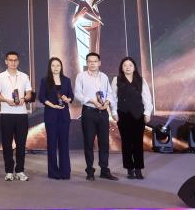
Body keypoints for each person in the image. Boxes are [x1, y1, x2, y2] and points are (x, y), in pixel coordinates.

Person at [74, 52, 117, 181]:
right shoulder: (81, 76)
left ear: (99, 63)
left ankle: (104, 170)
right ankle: (90, 171)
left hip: (103, 112)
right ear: (87, 63)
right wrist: (92, 101)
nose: (92, 64)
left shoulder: (104, 77)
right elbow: (77, 94)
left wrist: (107, 103)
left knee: (104, 142)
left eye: (95, 61)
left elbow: (109, 93)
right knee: (89, 142)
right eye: (90, 61)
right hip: (89, 112)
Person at [110, 56, 153, 180]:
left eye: (130, 65)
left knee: (138, 142)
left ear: (134, 67)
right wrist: (114, 112)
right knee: (126, 142)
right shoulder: (116, 80)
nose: (127, 67)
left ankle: (138, 169)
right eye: (125, 65)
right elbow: (113, 98)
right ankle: (129, 169)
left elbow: (147, 98)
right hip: (123, 115)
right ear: (121, 68)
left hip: (138, 115)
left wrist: (147, 113)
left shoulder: (141, 80)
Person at [0, 51, 34, 181]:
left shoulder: (24, 76)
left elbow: (29, 93)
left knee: (21, 144)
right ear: (6, 61)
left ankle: (20, 170)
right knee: (6, 144)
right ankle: (9, 171)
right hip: (7, 114)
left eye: (15, 60)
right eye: (10, 60)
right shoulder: (1, 76)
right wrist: (6, 100)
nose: (13, 62)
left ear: (18, 61)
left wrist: (24, 98)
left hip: (21, 114)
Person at [37, 57, 73, 179]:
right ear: (50, 67)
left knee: (64, 143)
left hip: (64, 115)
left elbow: (71, 96)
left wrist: (67, 99)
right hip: (51, 114)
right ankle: (53, 172)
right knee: (52, 144)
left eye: (58, 65)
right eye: (53, 65)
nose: (56, 68)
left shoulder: (67, 80)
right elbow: (41, 97)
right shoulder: (45, 80)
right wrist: (52, 105)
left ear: (61, 67)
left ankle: (65, 172)